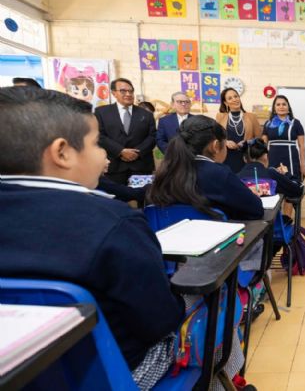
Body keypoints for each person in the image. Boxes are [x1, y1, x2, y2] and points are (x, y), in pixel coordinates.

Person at [0, 87, 184, 389]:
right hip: (110, 375)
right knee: (206, 315)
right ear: (62, 153)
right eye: (97, 144)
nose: (105, 156)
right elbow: (159, 321)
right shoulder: (115, 222)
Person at [147, 115, 263, 221]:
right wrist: (248, 194)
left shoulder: (166, 169)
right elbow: (256, 210)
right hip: (214, 240)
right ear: (216, 146)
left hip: (168, 240)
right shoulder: (219, 174)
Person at [95, 78, 156, 184]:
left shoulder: (146, 114)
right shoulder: (101, 112)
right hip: (114, 165)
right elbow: (99, 136)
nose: (128, 94)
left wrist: (136, 153)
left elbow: (152, 136)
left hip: (141, 165)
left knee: (143, 197)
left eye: (131, 91)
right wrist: (120, 151)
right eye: (123, 91)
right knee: (116, 198)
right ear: (114, 93)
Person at [238, 138, 304, 198]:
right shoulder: (272, 174)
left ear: (244, 159)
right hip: (268, 211)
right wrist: (286, 174)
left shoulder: (236, 177)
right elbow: (298, 190)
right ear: (265, 156)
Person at [215, 88, 262, 173]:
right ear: (225, 103)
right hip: (226, 158)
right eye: (230, 98)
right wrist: (225, 142)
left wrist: (247, 142)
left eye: (236, 96)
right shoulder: (220, 116)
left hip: (246, 158)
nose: (234, 99)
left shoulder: (252, 116)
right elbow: (215, 137)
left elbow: (259, 139)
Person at [262, 95, 305, 181]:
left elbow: (302, 146)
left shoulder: (296, 123)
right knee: (273, 186)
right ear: (274, 108)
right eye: (278, 104)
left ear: (288, 107)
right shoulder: (268, 123)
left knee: (292, 186)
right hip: (272, 160)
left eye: (284, 104)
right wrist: (263, 164)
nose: (281, 107)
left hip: (291, 160)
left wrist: (303, 165)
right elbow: (263, 146)